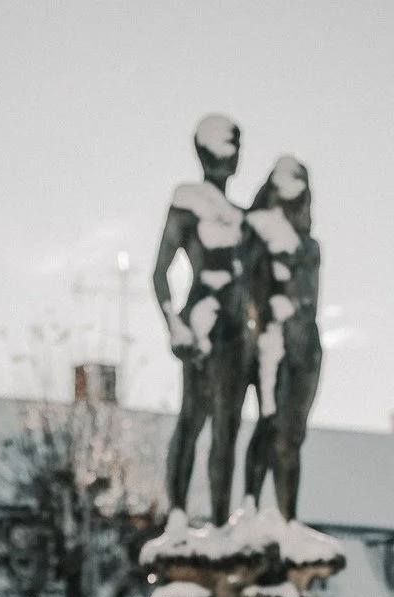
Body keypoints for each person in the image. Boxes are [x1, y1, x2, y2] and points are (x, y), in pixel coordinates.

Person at [151, 113, 252, 529]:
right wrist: (175, 325)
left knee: (228, 427)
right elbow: (160, 272)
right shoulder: (188, 203)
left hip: (237, 331)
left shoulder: (243, 217)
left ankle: (221, 522)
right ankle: (177, 511)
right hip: (203, 324)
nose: (231, 157)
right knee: (193, 418)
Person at [242, 155, 322, 522]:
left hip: (306, 345)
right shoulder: (262, 235)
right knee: (271, 424)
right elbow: (255, 292)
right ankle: (252, 505)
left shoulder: (309, 246)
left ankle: (288, 517)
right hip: (275, 342)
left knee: (294, 436)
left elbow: (307, 293)